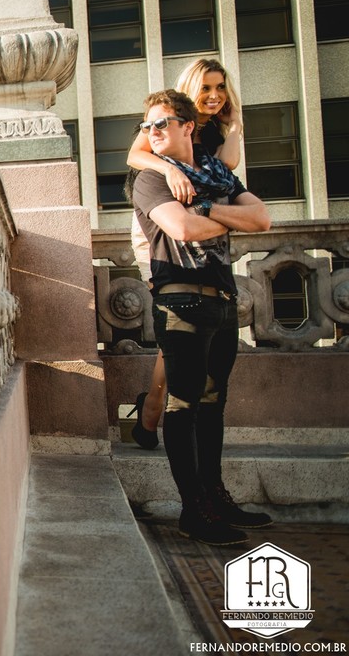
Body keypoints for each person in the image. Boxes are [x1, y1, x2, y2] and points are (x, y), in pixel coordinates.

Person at [131, 88, 271, 545]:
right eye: (146, 126)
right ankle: (194, 512)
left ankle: (215, 498)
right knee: (185, 405)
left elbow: (263, 219)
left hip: (223, 297)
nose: (152, 133)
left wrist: (209, 207)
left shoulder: (211, 176)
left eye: (161, 124)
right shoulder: (151, 181)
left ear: (187, 127)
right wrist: (226, 218)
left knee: (214, 405)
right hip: (181, 301)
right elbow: (183, 228)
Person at [126, 59, 244, 449]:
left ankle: (154, 408)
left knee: (184, 330)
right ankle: (155, 409)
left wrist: (236, 120)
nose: (215, 95)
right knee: (176, 320)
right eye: (207, 87)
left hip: (198, 221)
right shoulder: (166, 119)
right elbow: (134, 156)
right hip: (159, 224)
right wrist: (171, 170)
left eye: (221, 87)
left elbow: (228, 165)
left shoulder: (211, 130)